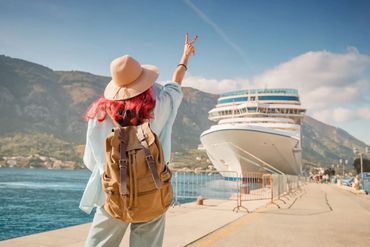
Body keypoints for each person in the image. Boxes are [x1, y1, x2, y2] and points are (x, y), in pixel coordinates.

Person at [79, 33, 198, 247]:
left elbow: (91, 161)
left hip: (112, 195)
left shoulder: (100, 114)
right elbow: (175, 84)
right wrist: (185, 56)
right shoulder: (158, 109)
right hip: (151, 192)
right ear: (144, 83)